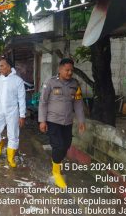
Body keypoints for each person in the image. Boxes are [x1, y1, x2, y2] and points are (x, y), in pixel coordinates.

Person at [38, 58, 86, 189]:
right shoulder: (50, 83)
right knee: (58, 146)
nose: (70, 72)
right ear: (60, 69)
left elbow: (78, 103)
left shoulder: (75, 84)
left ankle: (57, 162)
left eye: (72, 70)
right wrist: (42, 120)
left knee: (66, 145)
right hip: (53, 121)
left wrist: (81, 120)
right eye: (67, 70)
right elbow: (43, 102)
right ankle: (56, 172)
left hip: (67, 121)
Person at [0, 57, 26, 168]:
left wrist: (22, 115)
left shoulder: (17, 81)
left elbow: (21, 99)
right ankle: (0, 143)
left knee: (13, 135)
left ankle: (10, 158)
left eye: (2, 65)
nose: (0, 68)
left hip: (12, 112)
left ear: (9, 66)